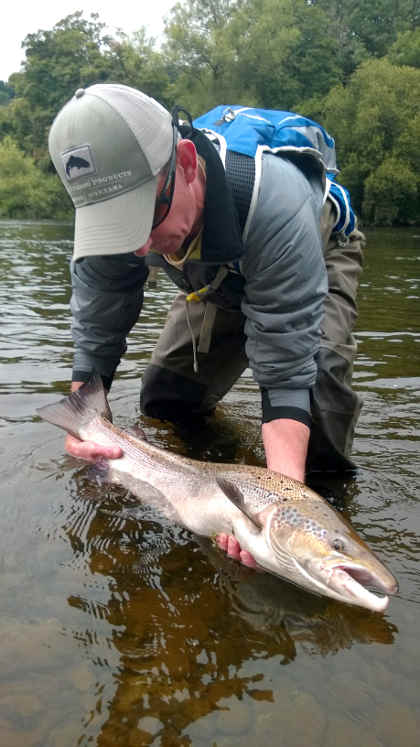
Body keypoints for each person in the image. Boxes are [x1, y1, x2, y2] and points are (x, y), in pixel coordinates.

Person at [48, 83, 365, 564]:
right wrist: (85, 421)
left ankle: (332, 518)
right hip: (211, 271)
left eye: (144, 216)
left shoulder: (274, 198)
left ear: (189, 163)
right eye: (114, 224)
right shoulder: (116, 212)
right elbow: (97, 326)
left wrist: (277, 516)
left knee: (318, 401)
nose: (137, 247)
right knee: (166, 399)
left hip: (306, 253)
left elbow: (284, 368)